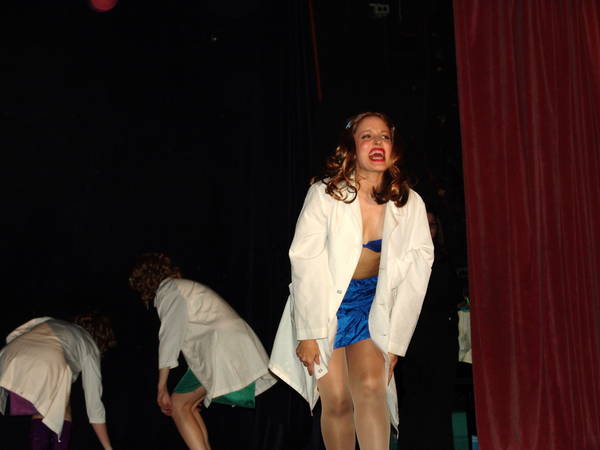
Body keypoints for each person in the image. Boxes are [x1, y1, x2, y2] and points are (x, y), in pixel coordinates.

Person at [269, 112, 434, 450]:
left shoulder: (408, 203)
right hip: (325, 305)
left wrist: (396, 342)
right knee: (338, 400)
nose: (377, 142)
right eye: (367, 136)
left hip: (371, 306)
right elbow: (305, 261)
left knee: (373, 389)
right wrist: (309, 332)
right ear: (351, 148)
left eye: (384, 136)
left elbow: (417, 276)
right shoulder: (325, 195)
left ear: (393, 147)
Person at [128, 253, 276, 450]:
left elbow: (170, 336)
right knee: (185, 406)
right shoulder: (181, 288)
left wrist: (161, 386)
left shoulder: (169, 291)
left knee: (179, 405)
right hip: (222, 346)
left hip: (221, 347)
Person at [0, 314, 116, 450]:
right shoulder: (90, 344)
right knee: (61, 405)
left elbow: (15, 334)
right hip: (49, 362)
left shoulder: (50, 321)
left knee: (45, 406)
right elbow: (94, 403)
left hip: (9, 356)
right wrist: (108, 447)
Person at [397, 208, 460, 449]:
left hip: (441, 340)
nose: (428, 229)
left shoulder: (444, 259)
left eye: (432, 225)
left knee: (440, 403)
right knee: (412, 403)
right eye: (424, 224)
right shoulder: (402, 258)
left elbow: (452, 297)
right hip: (411, 341)